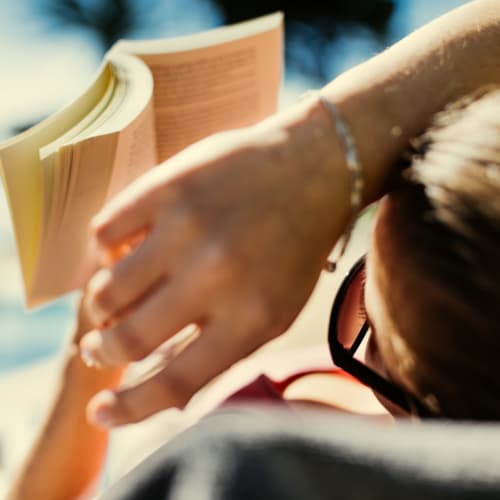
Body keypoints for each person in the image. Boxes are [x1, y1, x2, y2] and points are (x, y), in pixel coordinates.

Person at [77, 0, 500, 427]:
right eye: (365, 272)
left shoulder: (254, 436)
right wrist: (323, 147)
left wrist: (88, 343)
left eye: (370, 331)